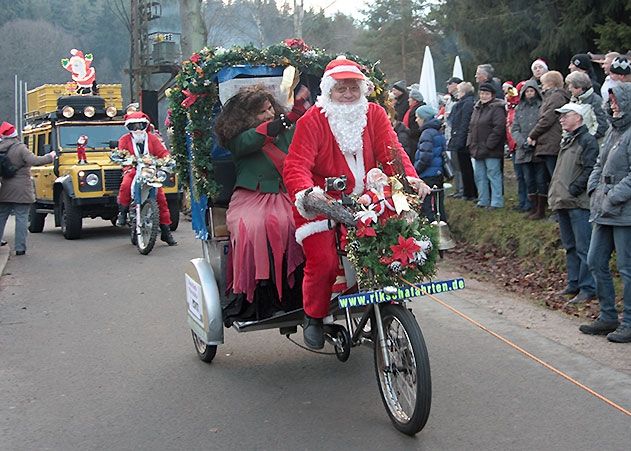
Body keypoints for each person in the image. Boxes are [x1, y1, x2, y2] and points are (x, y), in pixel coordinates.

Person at [283, 56, 431, 349]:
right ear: (329, 91)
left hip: (369, 199)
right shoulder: (312, 120)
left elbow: (393, 152)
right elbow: (296, 165)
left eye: (353, 88)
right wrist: (307, 193)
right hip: (323, 202)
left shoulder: (373, 113)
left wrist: (410, 178)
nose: (349, 94)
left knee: (391, 249)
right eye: (342, 89)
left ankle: (386, 308)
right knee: (323, 261)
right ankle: (314, 316)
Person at [214, 85, 307, 311]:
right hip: (251, 196)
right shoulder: (238, 139)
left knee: (301, 225)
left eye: (270, 109)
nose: (269, 114)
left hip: (286, 193)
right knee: (255, 227)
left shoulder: (288, 131)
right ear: (246, 116)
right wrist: (288, 118)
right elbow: (255, 139)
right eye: (262, 112)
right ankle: (263, 296)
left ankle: (301, 291)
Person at [579, 84, 631, 343]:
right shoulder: (613, 130)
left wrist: (612, 196)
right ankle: (608, 315)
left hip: (625, 212)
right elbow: (599, 163)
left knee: (626, 268)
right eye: (610, 102)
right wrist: (593, 188)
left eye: (616, 102)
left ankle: (630, 322)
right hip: (603, 209)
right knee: (595, 260)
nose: (612, 106)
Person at [548, 103, 598, 304]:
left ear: (578, 117)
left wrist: (574, 189)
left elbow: (590, 169)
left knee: (583, 246)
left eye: (564, 116)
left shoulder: (587, 141)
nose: (561, 119)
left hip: (578, 202)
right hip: (564, 201)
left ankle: (588, 287)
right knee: (570, 246)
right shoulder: (567, 140)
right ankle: (573, 282)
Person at [116, 111, 177, 246]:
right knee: (126, 185)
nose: (137, 129)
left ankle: (166, 231)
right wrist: (125, 159)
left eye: (140, 125)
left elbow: (162, 152)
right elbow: (121, 153)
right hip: (133, 169)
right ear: (129, 128)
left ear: (145, 125)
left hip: (150, 171)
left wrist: (167, 159)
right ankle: (123, 212)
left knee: (161, 197)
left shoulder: (153, 138)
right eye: (133, 126)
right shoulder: (124, 139)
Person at [0, 122, 55, 255]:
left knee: (1, 217)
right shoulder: (20, 148)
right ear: (15, 135)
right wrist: (50, 157)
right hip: (21, 190)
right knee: (21, 218)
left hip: (4, 188)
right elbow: (34, 160)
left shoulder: (0, 148)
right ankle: (20, 248)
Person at [527, 71, 570, 219]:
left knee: (556, 178)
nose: (542, 86)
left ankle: (561, 212)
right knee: (552, 178)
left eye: (544, 83)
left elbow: (547, 119)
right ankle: (556, 210)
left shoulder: (556, 97)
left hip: (552, 143)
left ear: (551, 83)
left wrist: (533, 134)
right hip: (548, 143)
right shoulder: (552, 96)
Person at [467, 82, 506, 209]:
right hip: (477, 148)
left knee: (493, 175)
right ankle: (483, 200)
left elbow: (499, 128)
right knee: (480, 176)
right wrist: (470, 143)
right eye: (482, 93)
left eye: (487, 94)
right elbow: (471, 127)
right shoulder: (477, 108)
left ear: (492, 95)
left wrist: (489, 144)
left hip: (491, 149)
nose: (484, 96)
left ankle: (496, 202)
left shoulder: (497, 108)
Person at [511, 80, 545, 218]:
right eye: (527, 91)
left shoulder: (541, 106)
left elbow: (544, 124)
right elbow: (515, 128)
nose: (530, 94)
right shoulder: (520, 108)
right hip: (523, 149)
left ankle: (541, 209)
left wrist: (535, 139)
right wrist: (522, 142)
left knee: (540, 179)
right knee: (528, 179)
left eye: (532, 91)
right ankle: (532, 207)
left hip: (539, 147)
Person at [414, 105, 447, 222]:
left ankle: (431, 231)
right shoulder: (437, 131)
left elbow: (425, 156)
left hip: (427, 175)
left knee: (427, 206)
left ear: (424, 118)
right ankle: (444, 229)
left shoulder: (427, 133)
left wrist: (415, 171)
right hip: (438, 173)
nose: (416, 120)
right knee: (439, 205)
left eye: (418, 117)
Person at [448, 81, 477, 201]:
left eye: (459, 91)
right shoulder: (461, 104)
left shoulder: (467, 104)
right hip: (459, 137)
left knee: (466, 167)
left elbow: (464, 123)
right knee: (463, 167)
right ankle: (467, 191)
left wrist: (460, 140)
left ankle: (470, 192)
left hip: (463, 139)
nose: (457, 94)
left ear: (464, 92)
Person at [565, 71, 608, 139]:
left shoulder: (595, 101)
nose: (569, 89)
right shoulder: (574, 100)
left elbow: (601, 126)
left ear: (579, 87)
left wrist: (586, 140)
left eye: (571, 87)